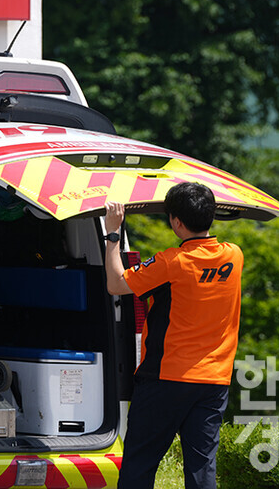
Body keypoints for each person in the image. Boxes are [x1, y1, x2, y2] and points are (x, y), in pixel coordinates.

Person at [103, 182, 243, 489]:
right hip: (214, 381)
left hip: (166, 379)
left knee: (140, 464)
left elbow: (116, 283)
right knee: (202, 468)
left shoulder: (170, 263)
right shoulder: (234, 256)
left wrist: (113, 233)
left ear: (176, 222)